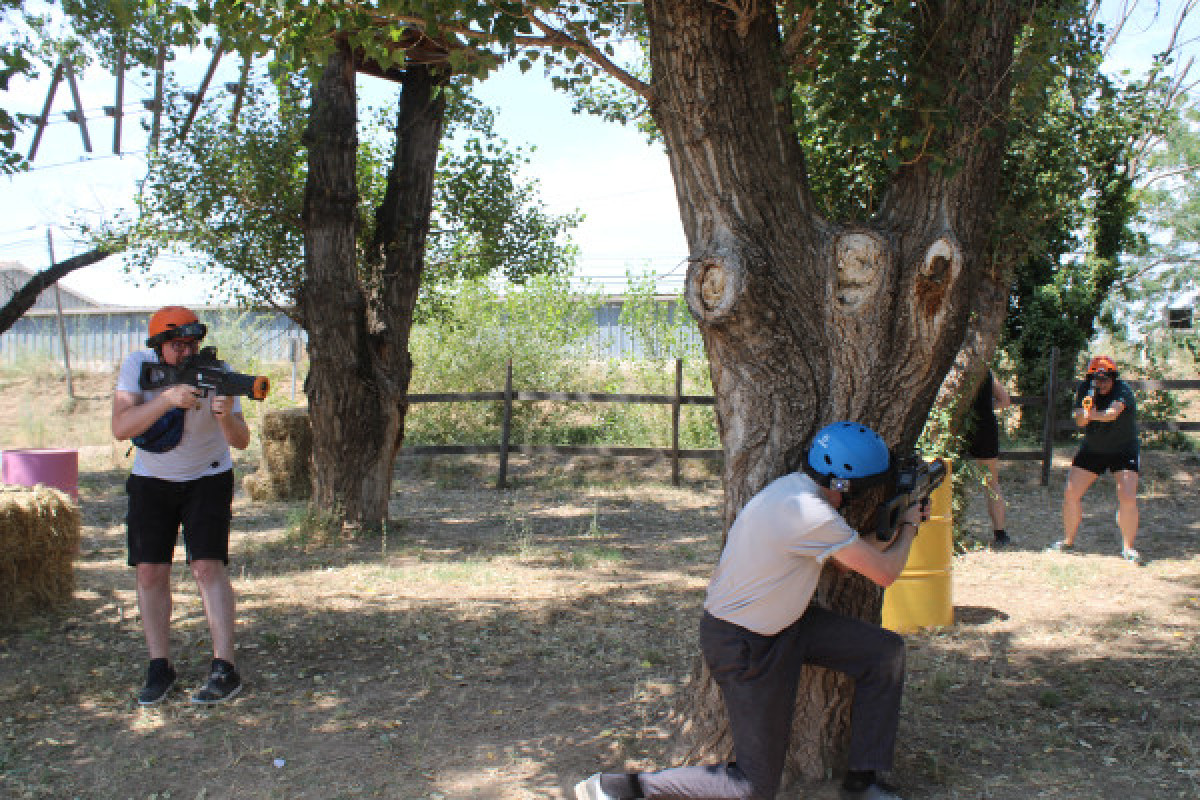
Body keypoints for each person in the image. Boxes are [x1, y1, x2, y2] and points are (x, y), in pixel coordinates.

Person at [574, 421, 929, 800]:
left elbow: (846, 560)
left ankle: (862, 781)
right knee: (752, 787)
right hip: (744, 644)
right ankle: (618, 789)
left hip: (788, 624)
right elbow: (885, 573)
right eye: (869, 485)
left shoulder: (794, 492)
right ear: (846, 485)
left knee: (883, 653)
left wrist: (893, 525)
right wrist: (908, 527)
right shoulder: (812, 514)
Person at [111, 306, 251, 705]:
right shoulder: (138, 366)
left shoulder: (219, 371)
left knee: (207, 566)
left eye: (192, 344)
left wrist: (225, 417)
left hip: (207, 476)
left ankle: (225, 666)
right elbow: (121, 427)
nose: (187, 352)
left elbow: (240, 441)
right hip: (151, 479)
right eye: (177, 345)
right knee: (150, 572)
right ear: (158, 347)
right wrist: (168, 400)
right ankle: (160, 665)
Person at [1050, 355, 1142, 565]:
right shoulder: (1085, 389)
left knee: (1127, 496)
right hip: (1093, 449)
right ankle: (1068, 541)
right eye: (1096, 379)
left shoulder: (1123, 390)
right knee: (1071, 493)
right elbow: (1080, 422)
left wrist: (1090, 414)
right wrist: (1085, 411)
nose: (1101, 383)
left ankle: (1128, 548)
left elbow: (1111, 414)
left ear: (1113, 377)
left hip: (1123, 449)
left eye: (1105, 379)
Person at [964, 369, 1012, 547]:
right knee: (991, 482)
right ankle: (1000, 533)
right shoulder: (985, 371)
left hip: (958, 426)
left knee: (943, 474)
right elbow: (1005, 401)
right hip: (984, 427)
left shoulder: (948, 365)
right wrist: (984, 406)